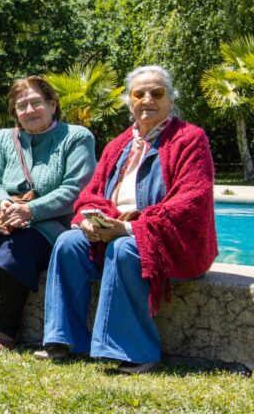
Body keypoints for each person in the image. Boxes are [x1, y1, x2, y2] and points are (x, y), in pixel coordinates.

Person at [34, 65, 218, 374]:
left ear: (171, 100)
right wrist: (90, 220)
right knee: (68, 242)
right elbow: (90, 194)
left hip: (171, 244)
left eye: (157, 93)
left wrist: (131, 227)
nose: (148, 99)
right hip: (113, 231)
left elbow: (191, 200)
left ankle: (137, 352)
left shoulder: (190, 138)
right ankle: (64, 340)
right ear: (129, 101)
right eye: (139, 93)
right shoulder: (118, 144)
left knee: (125, 248)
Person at [0, 77, 96, 351]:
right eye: (22, 106)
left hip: (50, 225)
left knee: (17, 244)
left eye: (36, 103)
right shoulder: (3, 139)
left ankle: (7, 329)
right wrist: (5, 203)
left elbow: (74, 189)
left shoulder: (77, 137)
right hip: (5, 217)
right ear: (14, 112)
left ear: (52, 104)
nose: (30, 110)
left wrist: (30, 210)